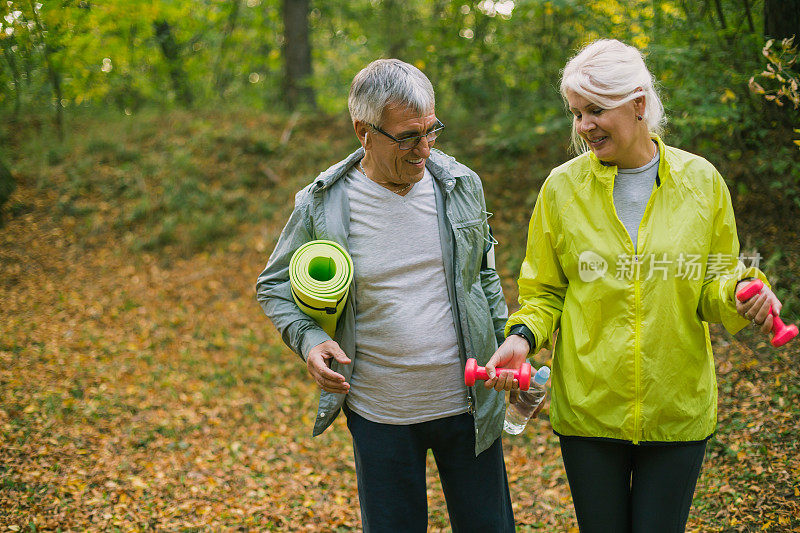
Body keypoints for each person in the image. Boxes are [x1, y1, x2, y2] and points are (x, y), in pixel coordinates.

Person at [483, 39, 779, 533]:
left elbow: (713, 281)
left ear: (638, 103)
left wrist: (741, 294)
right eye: (577, 113)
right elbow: (544, 293)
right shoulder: (561, 189)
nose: (583, 126)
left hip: (676, 407)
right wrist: (521, 337)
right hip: (589, 411)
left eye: (596, 110)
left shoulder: (701, 182)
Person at [255, 59, 515, 532]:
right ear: (363, 131)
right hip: (380, 415)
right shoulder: (323, 202)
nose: (425, 149)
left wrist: (505, 345)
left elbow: (485, 278)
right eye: (408, 137)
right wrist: (310, 339)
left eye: (432, 131)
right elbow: (273, 285)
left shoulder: (460, 185)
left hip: (468, 407)